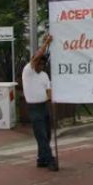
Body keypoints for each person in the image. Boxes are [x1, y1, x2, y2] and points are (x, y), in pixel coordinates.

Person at [22, 34, 57, 171]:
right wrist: (46, 43)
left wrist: (52, 101)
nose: (41, 65)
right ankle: (50, 160)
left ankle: (41, 159)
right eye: (39, 63)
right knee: (41, 135)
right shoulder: (28, 71)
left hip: (44, 107)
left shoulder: (44, 75)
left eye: (43, 64)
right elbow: (37, 56)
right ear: (34, 62)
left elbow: (48, 91)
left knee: (46, 135)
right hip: (34, 108)